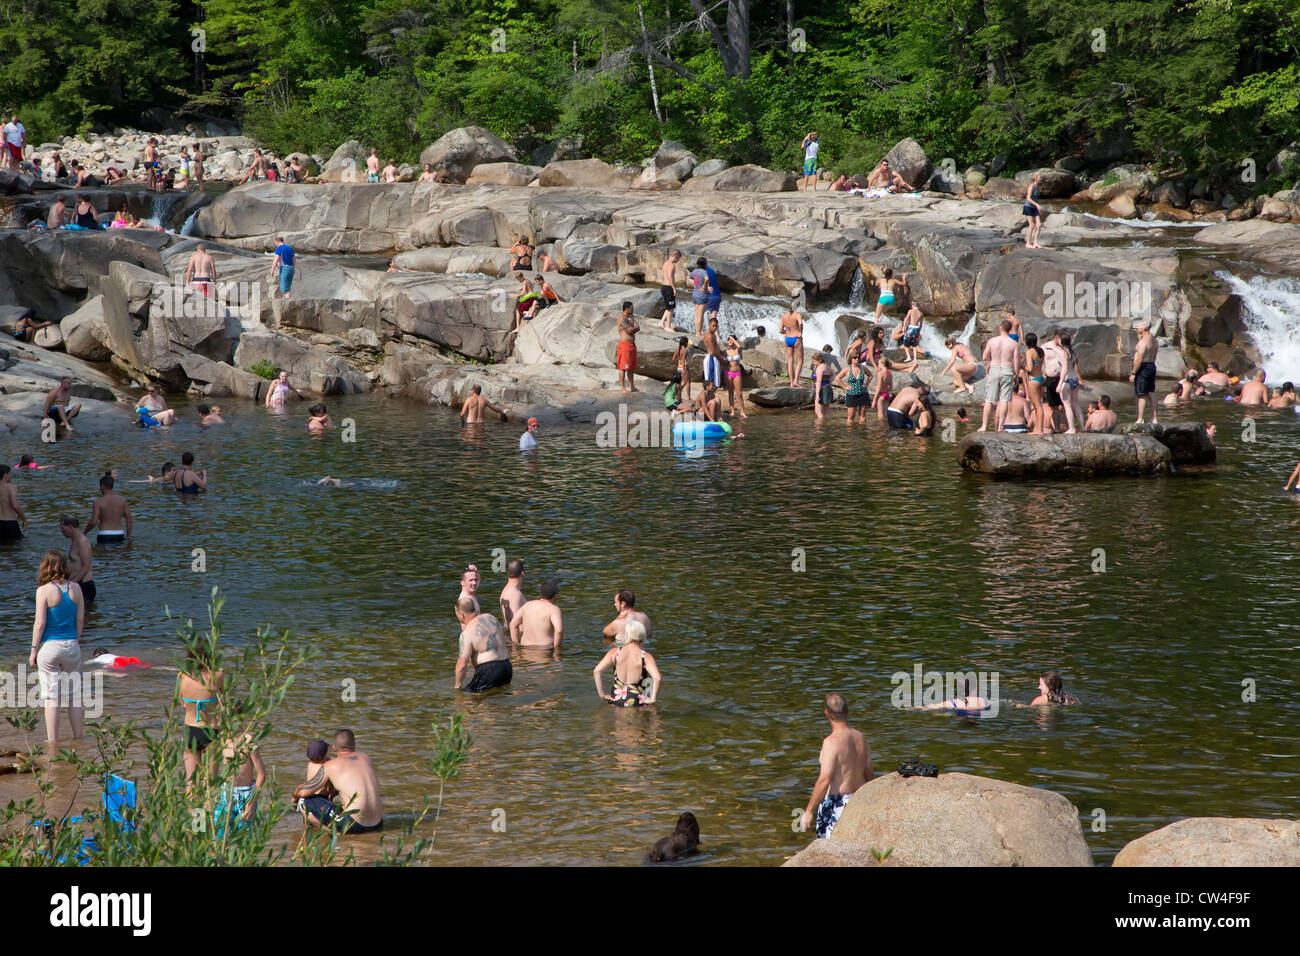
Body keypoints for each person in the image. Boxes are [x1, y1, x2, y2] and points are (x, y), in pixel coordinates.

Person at [29, 552, 85, 744]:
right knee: (74, 695)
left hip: (50, 648)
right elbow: (80, 619)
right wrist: (76, 640)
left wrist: (33, 650)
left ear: (46, 566)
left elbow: (40, 623)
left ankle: (52, 742)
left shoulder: (43, 590)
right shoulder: (76, 588)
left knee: (52, 698)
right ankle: (78, 737)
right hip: (71, 645)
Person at [798, 693, 871, 838]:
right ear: (847, 711)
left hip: (837, 804)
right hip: (860, 799)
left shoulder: (830, 742)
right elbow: (869, 773)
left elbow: (825, 779)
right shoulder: (861, 737)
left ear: (826, 714)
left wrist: (808, 811)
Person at [292, 730, 384, 833]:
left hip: (354, 825)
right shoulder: (366, 758)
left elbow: (304, 792)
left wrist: (294, 797)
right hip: (378, 823)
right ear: (355, 745)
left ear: (334, 748)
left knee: (304, 802)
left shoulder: (330, 765)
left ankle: (332, 833)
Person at [213, 723, 266, 835]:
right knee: (219, 837)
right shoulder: (221, 739)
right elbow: (213, 769)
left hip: (246, 796)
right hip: (225, 794)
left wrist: (251, 803)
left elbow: (261, 774)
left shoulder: (249, 741)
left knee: (244, 839)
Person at [178, 647, 222, 780]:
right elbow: (222, 701)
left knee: (191, 783)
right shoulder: (218, 676)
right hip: (211, 729)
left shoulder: (182, 676)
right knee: (210, 782)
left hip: (190, 729)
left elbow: (182, 703)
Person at [594, 620, 660, 706]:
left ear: (627, 634)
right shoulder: (645, 656)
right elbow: (657, 678)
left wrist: (602, 694)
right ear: (642, 635)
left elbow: (597, 671)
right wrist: (652, 699)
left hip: (616, 700)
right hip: (637, 702)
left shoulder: (614, 653)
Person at [454, 598, 512, 692]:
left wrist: (457, 685)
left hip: (489, 670)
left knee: (468, 697)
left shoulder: (467, 633)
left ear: (461, 615)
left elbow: (462, 664)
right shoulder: (491, 618)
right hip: (507, 666)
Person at [978, 320, 1022, 432]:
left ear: (1001, 328)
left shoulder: (992, 341)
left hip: (994, 368)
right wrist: (1016, 375)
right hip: (1007, 369)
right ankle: (1000, 427)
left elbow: (984, 357)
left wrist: (992, 360)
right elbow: (1016, 362)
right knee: (1004, 400)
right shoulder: (1014, 343)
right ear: (1010, 329)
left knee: (988, 400)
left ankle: (984, 426)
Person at [510, 578, 564, 648]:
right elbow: (559, 631)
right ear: (556, 595)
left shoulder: (527, 605)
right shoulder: (553, 609)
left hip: (526, 650)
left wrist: (516, 645)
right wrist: (556, 651)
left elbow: (513, 624)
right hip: (545, 651)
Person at [85, 474, 132, 544]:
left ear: (102, 486)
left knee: (103, 554)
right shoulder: (122, 500)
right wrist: (128, 535)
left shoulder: (98, 502)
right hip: (119, 534)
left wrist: (84, 532)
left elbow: (93, 522)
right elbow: (129, 518)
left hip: (104, 534)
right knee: (119, 554)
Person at [59, 515, 95, 605]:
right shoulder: (74, 541)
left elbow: (87, 565)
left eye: (63, 529)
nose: (62, 532)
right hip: (77, 585)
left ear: (71, 527)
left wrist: (74, 583)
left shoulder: (82, 541)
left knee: (83, 617)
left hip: (84, 586)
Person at [1129, 321, 1159, 423]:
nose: (1137, 328)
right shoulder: (1154, 340)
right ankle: (1154, 418)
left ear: (1144, 328)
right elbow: (1154, 355)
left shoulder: (1142, 342)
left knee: (1141, 394)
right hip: (1152, 366)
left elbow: (1139, 360)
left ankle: (1140, 419)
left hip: (1143, 367)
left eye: (1139, 326)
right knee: (1151, 392)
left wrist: (1133, 373)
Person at [1056, 332, 1084, 433]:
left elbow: (1064, 370)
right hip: (1075, 379)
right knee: (1076, 404)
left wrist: (1059, 384)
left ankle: (1071, 428)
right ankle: (1082, 427)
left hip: (1066, 380)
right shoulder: (1073, 352)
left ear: (1061, 341)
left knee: (1067, 406)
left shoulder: (1064, 353)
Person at [922, 676, 991, 717]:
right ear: (975, 688)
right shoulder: (984, 700)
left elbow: (929, 707)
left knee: (941, 714)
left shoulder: (953, 702)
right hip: (978, 716)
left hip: (960, 715)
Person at [1040, 329, 1067, 432]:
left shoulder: (1065, 347)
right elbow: (1040, 362)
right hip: (1051, 378)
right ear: (1056, 337)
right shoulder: (1045, 347)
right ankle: (1056, 428)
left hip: (1063, 378)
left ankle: (1069, 427)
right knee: (1054, 406)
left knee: (1065, 405)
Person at [1021, 331, 1047, 432]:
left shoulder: (1029, 352)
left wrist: (1021, 365)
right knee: (1039, 405)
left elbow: (1029, 368)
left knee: (1037, 406)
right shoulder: (1040, 351)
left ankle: (1039, 430)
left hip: (1033, 380)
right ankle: (1038, 428)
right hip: (1040, 378)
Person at [834, 352, 870, 424]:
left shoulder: (862, 367)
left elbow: (870, 375)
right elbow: (837, 378)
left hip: (863, 394)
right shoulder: (847, 369)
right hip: (851, 395)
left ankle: (862, 433)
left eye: (858, 358)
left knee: (862, 417)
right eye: (855, 358)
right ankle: (850, 433)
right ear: (851, 359)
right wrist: (845, 387)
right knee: (851, 417)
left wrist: (866, 385)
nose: (857, 359)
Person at [779, 298, 805, 383]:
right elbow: (800, 323)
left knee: (790, 360)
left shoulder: (784, 316)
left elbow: (780, 330)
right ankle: (796, 381)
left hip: (787, 339)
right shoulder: (797, 314)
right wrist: (800, 332)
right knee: (800, 360)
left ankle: (791, 381)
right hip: (796, 339)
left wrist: (786, 332)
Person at [616, 301, 640, 393]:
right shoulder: (622, 318)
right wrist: (634, 328)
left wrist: (634, 328)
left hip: (632, 346)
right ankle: (622, 387)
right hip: (624, 345)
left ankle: (631, 387)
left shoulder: (630, 318)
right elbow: (629, 330)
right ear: (626, 309)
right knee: (623, 368)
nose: (632, 309)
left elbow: (638, 327)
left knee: (631, 368)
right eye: (631, 308)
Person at [0, 465, 28, 541]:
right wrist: (24, 520)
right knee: (14, 549)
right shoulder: (11, 487)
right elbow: (15, 505)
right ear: (5, 475)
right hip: (10, 523)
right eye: (10, 473)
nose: (12, 475)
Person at [723, 333, 747, 417]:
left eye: (731, 340)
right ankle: (732, 410)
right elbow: (723, 361)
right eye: (728, 340)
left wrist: (732, 338)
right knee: (730, 392)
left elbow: (739, 346)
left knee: (739, 393)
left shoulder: (738, 350)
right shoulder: (726, 351)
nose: (729, 341)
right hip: (728, 373)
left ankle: (742, 411)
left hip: (737, 373)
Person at [499, 560, 527, 630]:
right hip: (516, 638)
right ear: (522, 573)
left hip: (509, 635)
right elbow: (516, 625)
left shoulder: (506, 589)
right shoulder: (515, 595)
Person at [689, 257, 712, 337]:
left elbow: (688, 277)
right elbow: (707, 279)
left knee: (697, 315)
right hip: (702, 296)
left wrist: (695, 283)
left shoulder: (695, 271)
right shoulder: (704, 272)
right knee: (700, 315)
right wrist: (704, 286)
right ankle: (698, 333)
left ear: (697, 264)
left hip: (694, 295)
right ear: (705, 264)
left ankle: (700, 331)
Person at [659, 250, 681, 330]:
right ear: (675, 256)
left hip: (664, 286)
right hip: (669, 288)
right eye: (678, 259)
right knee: (670, 308)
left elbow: (662, 275)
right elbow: (669, 277)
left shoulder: (665, 263)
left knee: (668, 307)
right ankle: (668, 326)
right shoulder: (672, 265)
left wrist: (664, 283)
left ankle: (661, 322)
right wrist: (673, 288)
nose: (677, 260)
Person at [701, 317, 724, 392]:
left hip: (714, 358)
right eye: (713, 326)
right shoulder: (709, 336)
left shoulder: (713, 334)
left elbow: (716, 348)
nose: (715, 328)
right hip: (711, 358)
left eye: (716, 326)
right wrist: (722, 360)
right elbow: (713, 351)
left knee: (715, 378)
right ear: (709, 325)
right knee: (711, 379)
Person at [1023, 172, 1044, 248]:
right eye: (1040, 177)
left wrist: (1038, 207)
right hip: (1028, 207)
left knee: (1039, 225)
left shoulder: (1038, 187)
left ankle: (1035, 243)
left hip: (1034, 207)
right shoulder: (1031, 186)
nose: (1041, 178)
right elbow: (1028, 198)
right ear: (1035, 178)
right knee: (1032, 225)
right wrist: (1037, 205)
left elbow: (1035, 199)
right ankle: (1028, 243)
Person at [812, 352, 835, 420]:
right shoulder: (827, 366)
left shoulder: (819, 368)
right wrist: (829, 382)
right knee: (826, 411)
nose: (813, 363)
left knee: (818, 412)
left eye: (814, 361)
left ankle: (819, 428)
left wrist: (817, 394)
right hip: (828, 388)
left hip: (822, 390)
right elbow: (834, 374)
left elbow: (818, 381)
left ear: (819, 360)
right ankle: (827, 426)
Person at [671, 336, 692, 402]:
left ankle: (677, 393)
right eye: (687, 342)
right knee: (686, 382)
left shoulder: (677, 349)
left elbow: (673, 359)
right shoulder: (685, 350)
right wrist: (683, 369)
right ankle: (688, 397)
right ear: (685, 343)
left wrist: (678, 365)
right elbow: (683, 359)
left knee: (680, 382)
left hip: (679, 366)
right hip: (684, 367)